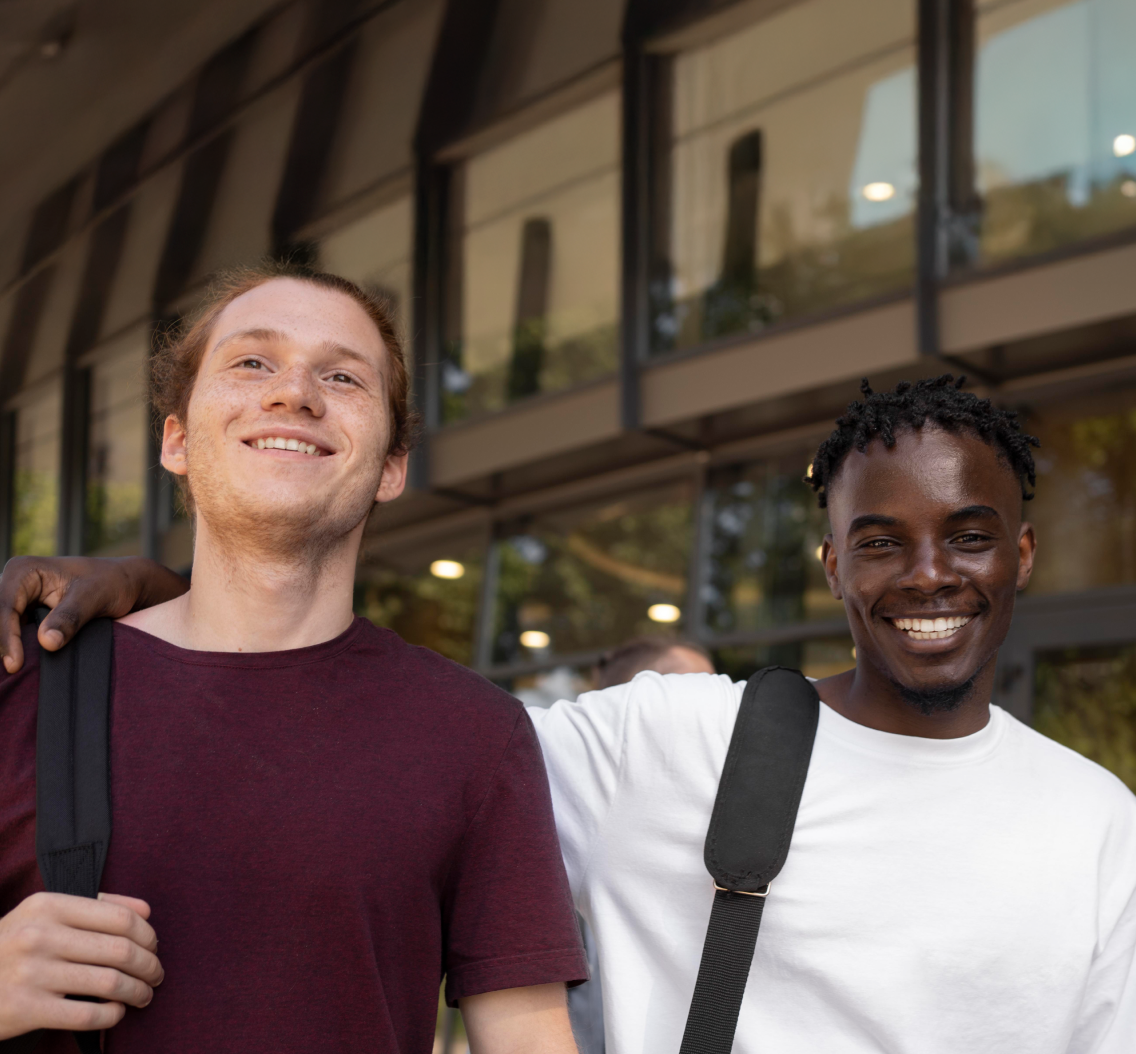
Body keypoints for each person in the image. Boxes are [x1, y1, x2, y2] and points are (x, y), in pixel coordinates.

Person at [6, 374, 1136, 1051]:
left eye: (969, 536)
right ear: (831, 565)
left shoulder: (1094, 824)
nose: (928, 575)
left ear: (1021, 553)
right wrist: (172, 596)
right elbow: (354, 734)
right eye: (880, 542)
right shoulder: (673, 736)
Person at [0, 263, 586, 1052]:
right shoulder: (22, 681)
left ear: (390, 468)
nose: (293, 393)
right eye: (251, 362)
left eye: (343, 377)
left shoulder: (476, 734)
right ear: (175, 439)